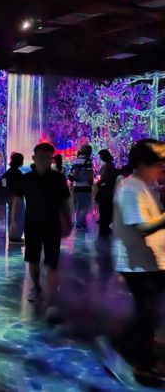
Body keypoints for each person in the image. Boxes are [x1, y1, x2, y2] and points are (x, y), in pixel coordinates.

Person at [108, 139, 165, 382]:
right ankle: (139, 361)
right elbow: (141, 227)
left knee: (147, 313)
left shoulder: (143, 186)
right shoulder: (131, 188)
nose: (162, 168)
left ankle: (132, 353)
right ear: (142, 163)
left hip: (148, 262)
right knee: (146, 314)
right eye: (158, 163)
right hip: (138, 264)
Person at [15, 143, 71, 303]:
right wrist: (15, 222)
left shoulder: (58, 178)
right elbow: (18, 200)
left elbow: (65, 202)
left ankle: (52, 296)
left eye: (47, 158)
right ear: (34, 158)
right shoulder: (26, 179)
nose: (43, 161)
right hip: (32, 225)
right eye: (40, 158)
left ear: (51, 160)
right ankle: (36, 286)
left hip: (52, 225)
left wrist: (68, 221)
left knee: (52, 261)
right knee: (33, 259)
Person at [0, 152, 25, 243]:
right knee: (16, 217)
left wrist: (8, 194)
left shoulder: (7, 174)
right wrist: (13, 194)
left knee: (12, 217)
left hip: (12, 198)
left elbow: (3, 183)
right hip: (16, 198)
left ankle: (13, 236)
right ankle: (14, 236)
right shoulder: (17, 173)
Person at [69, 144, 94, 231]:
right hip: (85, 185)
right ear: (89, 152)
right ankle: (79, 225)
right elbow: (90, 172)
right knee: (85, 206)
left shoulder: (76, 161)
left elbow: (72, 173)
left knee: (79, 206)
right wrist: (91, 181)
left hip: (77, 186)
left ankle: (81, 223)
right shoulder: (88, 160)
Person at [96, 149, 118, 236]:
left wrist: (99, 182)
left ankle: (104, 224)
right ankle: (106, 223)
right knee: (107, 208)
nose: (100, 158)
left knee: (104, 208)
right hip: (109, 188)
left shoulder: (107, 166)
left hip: (106, 189)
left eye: (101, 156)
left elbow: (104, 177)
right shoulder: (111, 165)